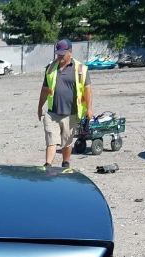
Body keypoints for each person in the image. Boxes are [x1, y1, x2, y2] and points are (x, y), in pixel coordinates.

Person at [37, 39, 93, 169]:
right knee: (51, 139)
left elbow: (87, 90)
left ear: (70, 52)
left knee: (67, 142)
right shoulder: (50, 68)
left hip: (71, 113)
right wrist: (39, 107)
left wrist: (89, 109)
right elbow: (45, 89)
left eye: (62, 53)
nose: (60, 56)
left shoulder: (80, 69)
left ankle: (65, 163)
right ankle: (48, 165)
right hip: (52, 113)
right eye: (58, 53)